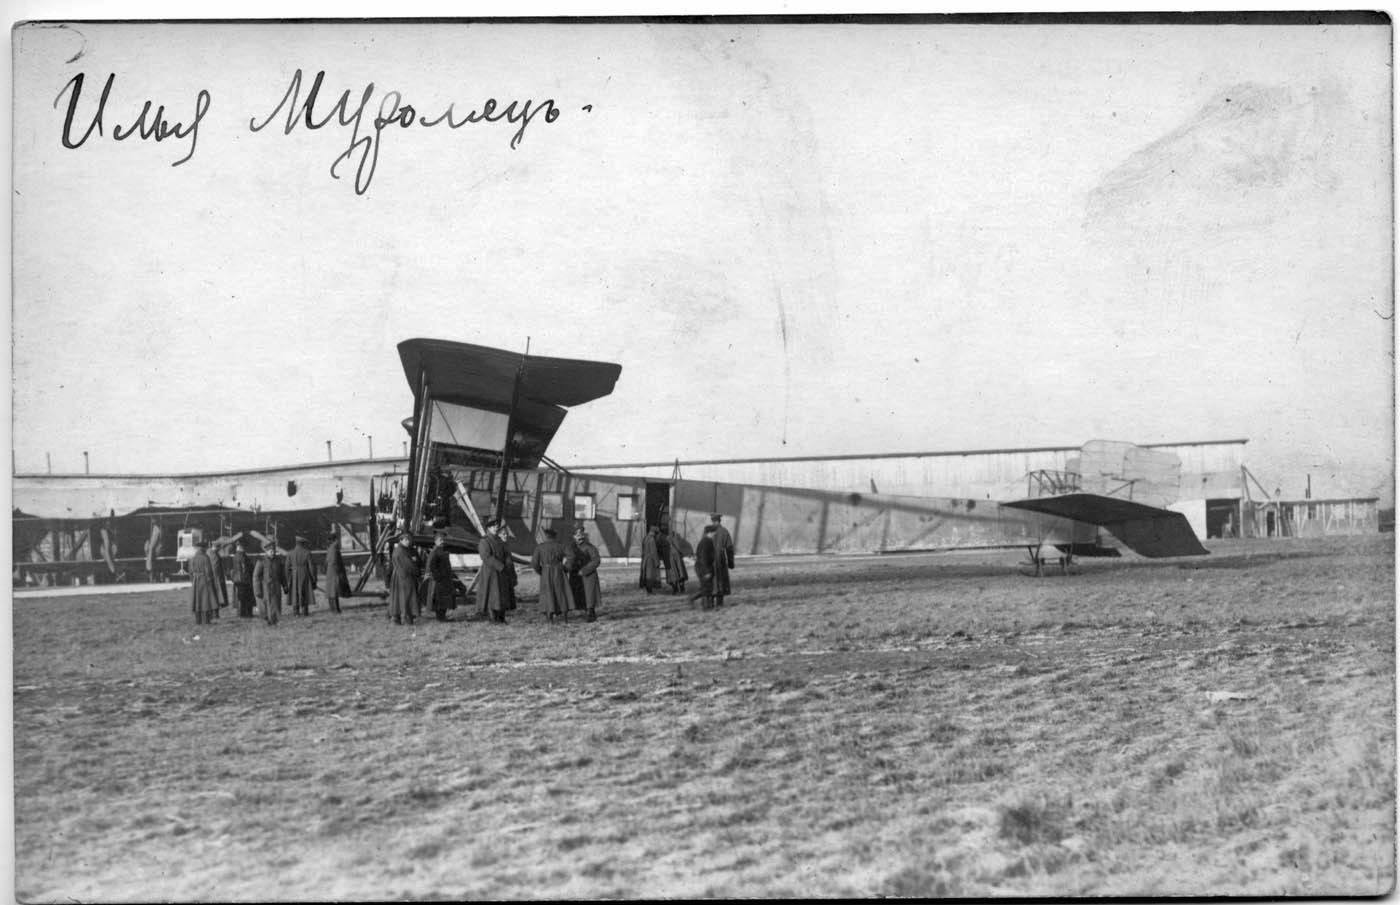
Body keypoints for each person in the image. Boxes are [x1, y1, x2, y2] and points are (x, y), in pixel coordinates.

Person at [531, 528, 571, 621]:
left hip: (546, 571)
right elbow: (571, 557)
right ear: (555, 536)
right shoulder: (561, 546)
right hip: (559, 571)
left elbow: (534, 563)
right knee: (561, 591)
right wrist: (566, 568)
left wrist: (541, 571)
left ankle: (550, 616)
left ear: (545, 536)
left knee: (547, 592)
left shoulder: (540, 547)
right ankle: (565, 615)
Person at [477, 521, 509, 623]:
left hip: (501, 572)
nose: (496, 527)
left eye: (496, 526)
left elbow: (506, 554)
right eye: (493, 526)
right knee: (492, 595)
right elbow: (486, 556)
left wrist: (507, 565)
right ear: (488, 529)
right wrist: (500, 566)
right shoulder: (484, 541)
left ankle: (501, 618)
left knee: (501, 595)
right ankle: (493, 618)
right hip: (490, 573)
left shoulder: (499, 541)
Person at [387, 534, 420, 625]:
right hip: (404, 577)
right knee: (407, 597)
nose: (408, 542)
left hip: (398, 576)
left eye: (409, 540)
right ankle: (406, 619)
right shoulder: (401, 551)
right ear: (400, 540)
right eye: (406, 540)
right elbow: (408, 565)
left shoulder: (398, 550)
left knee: (398, 598)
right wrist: (416, 567)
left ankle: (396, 619)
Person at [252, 542, 288, 626]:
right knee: (266, 605)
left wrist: (285, 586)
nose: (273, 553)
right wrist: (257, 590)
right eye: (270, 551)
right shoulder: (261, 561)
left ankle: (274, 621)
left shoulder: (278, 561)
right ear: (266, 552)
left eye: (273, 551)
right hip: (265, 588)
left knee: (276, 604)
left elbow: (282, 575)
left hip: (276, 586)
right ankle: (268, 620)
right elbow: (256, 577)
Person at [573, 526, 602, 622]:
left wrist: (585, 570)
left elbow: (596, 560)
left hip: (588, 575)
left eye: (581, 534)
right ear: (574, 536)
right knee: (580, 595)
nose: (579, 536)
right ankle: (584, 611)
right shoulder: (572, 547)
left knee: (590, 594)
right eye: (577, 535)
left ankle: (591, 613)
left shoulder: (589, 547)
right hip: (576, 575)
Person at [188, 540, 221, 625]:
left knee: (197, 600)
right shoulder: (205, 557)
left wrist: (193, 581)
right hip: (204, 580)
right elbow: (208, 571)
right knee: (205, 601)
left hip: (196, 580)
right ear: (203, 548)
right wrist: (210, 581)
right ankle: (206, 620)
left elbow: (190, 572)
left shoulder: (192, 558)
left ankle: (198, 620)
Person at [426, 531, 456, 622]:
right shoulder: (435, 552)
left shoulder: (442, 551)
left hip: (445, 579)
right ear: (435, 541)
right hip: (439, 580)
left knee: (444, 599)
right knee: (440, 600)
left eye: (443, 540)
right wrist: (438, 577)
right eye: (440, 540)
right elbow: (432, 566)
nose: (442, 541)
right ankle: (440, 618)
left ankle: (442, 616)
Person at [287, 534, 318, 617]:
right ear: (303, 543)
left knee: (295, 592)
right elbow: (311, 567)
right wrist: (314, 579)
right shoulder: (307, 552)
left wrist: (288, 579)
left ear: (296, 543)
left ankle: (295, 612)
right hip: (304, 573)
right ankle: (305, 611)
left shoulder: (290, 553)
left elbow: (286, 568)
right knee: (304, 591)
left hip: (294, 574)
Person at [689, 525, 718, 610]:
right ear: (710, 533)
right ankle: (705, 606)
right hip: (703, 568)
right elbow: (703, 558)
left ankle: (704, 604)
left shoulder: (707, 541)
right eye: (714, 532)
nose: (715, 534)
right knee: (706, 587)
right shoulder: (706, 542)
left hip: (703, 567)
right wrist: (707, 571)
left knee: (707, 587)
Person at [709, 513, 735, 607]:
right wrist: (731, 562)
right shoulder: (724, 531)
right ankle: (719, 603)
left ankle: (710, 602)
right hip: (720, 559)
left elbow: (703, 545)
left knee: (711, 580)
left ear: (712, 520)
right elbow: (729, 548)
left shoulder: (708, 531)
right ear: (720, 520)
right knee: (720, 580)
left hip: (709, 559)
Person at [323, 528, 350, 614]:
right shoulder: (334, 548)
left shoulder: (330, 548)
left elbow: (327, 561)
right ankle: (336, 609)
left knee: (331, 590)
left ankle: (333, 608)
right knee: (334, 590)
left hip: (330, 571)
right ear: (334, 539)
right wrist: (340, 572)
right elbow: (335, 561)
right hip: (334, 571)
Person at [231, 540, 256, 618]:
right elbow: (245, 569)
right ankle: (246, 614)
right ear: (241, 547)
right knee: (246, 597)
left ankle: (242, 613)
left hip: (238, 580)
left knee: (241, 598)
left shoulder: (236, 556)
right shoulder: (242, 556)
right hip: (245, 580)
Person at [497, 522, 519, 612]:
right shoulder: (498, 545)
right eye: (503, 534)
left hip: (509, 569)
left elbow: (510, 559)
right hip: (503, 570)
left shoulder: (506, 545)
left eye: (506, 534)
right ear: (499, 535)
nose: (505, 536)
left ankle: (508, 607)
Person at [206, 541, 229, 618]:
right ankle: (215, 614)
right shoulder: (214, 554)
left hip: (212, 578)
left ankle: (213, 613)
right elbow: (216, 568)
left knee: (214, 597)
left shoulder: (210, 553)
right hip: (216, 579)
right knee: (216, 596)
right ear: (217, 547)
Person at [662, 527, 687, 593]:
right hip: (676, 558)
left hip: (670, 559)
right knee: (680, 573)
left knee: (673, 574)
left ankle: (675, 589)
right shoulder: (676, 540)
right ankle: (681, 588)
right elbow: (679, 548)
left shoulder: (665, 541)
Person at [639, 526, 662, 594]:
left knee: (646, 574)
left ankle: (648, 590)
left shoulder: (645, 538)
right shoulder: (652, 539)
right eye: (655, 533)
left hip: (645, 559)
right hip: (650, 560)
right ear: (653, 532)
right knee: (650, 575)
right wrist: (657, 562)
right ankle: (650, 591)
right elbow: (654, 551)